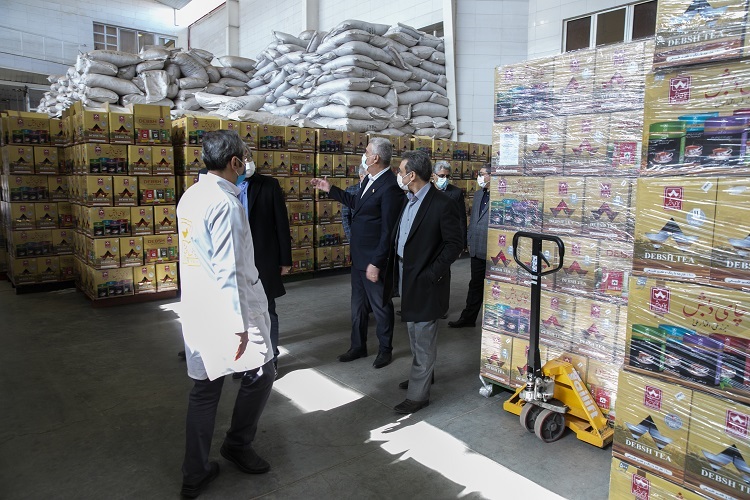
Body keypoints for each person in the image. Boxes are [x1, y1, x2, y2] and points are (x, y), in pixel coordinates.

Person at [176, 130, 275, 498]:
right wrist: (239, 328)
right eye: (245, 157)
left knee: (205, 389)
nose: (248, 163)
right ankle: (237, 443)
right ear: (234, 162)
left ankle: (195, 472)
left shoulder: (192, 195)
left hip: (199, 307)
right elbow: (230, 269)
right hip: (232, 310)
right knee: (262, 373)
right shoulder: (226, 205)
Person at [310, 137, 403, 368]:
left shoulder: (390, 186)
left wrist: (377, 262)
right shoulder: (369, 180)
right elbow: (357, 203)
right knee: (358, 306)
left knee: (380, 306)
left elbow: (389, 231)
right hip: (359, 257)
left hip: (374, 260)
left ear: (375, 158)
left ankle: (385, 349)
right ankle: (358, 346)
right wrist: (330, 190)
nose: (364, 155)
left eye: (367, 152)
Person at [384, 150, 463, 414]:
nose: (398, 175)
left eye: (400, 171)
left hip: (426, 279)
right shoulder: (409, 199)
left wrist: (432, 274)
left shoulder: (442, 203)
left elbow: (454, 244)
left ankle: (418, 396)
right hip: (407, 274)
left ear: (412, 175)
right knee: (413, 330)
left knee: (423, 335)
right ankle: (423, 375)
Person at [236, 148, 292, 372]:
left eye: (249, 158)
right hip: (234, 259)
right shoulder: (223, 187)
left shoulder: (268, 185)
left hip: (263, 258)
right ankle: (244, 359)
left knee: (267, 309)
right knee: (239, 311)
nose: (247, 162)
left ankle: (270, 359)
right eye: (243, 159)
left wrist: (285, 260)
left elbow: (281, 223)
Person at [449, 164, 491, 329]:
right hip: (477, 248)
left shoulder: (500, 195)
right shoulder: (479, 194)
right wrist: (468, 240)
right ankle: (468, 318)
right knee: (475, 285)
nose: (479, 177)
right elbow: (473, 219)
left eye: (482, 174)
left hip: (493, 250)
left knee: (493, 287)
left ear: (492, 176)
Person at [432, 160, 467, 252]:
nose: (445, 178)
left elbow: (461, 219)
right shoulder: (427, 190)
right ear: (433, 175)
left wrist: (462, 243)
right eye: (441, 176)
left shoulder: (456, 193)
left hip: (448, 240)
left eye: (447, 176)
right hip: (429, 238)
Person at [342, 164, 368, 242]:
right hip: (356, 237)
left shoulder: (377, 190)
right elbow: (345, 217)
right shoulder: (350, 191)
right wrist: (351, 239)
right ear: (361, 176)